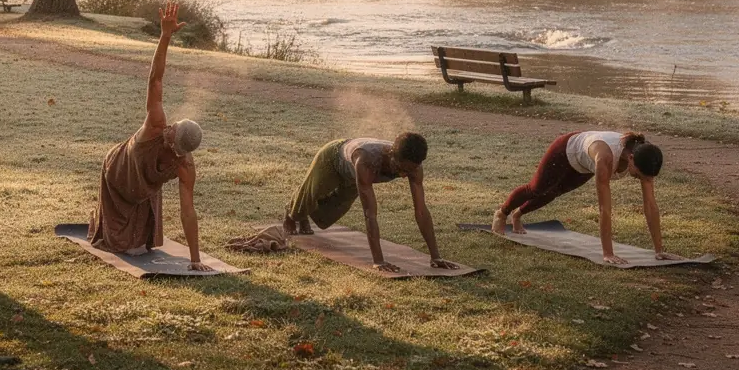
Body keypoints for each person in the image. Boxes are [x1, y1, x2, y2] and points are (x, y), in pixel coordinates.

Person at [88, 2, 211, 270]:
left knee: (140, 248)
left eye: (172, 130)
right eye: (173, 126)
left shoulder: (180, 159)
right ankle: (105, 224)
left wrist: (196, 260)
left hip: (142, 187)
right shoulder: (159, 129)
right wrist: (164, 37)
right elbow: (156, 78)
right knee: (122, 245)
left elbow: (187, 212)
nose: (169, 128)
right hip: (118, 171)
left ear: (174, 140)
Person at [493, 130, 681, 265]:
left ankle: (518, 215)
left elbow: (650, 205)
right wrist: (608, 253)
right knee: (537, 188)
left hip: (583, 165)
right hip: (565, 150)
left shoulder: (645, 158)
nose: (642, 179)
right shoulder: (605, 158)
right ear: (631, 158)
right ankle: (502, 213)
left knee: (554, 192)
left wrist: (659, 250)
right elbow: (604, 209)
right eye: (639, 175)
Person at [283, 133, 456, 273]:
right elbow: (370, 213)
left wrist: (435, 256)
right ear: (390, 154)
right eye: (400, 168)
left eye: (408, 171)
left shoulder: (415, 169)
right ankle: (292, 214)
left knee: (327, 216)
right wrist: (378, 261)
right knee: (312, 192)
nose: (404, 175)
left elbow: (421, 212)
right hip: (333, 158)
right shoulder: (367, 160)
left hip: (354, 176)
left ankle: (304, 212)